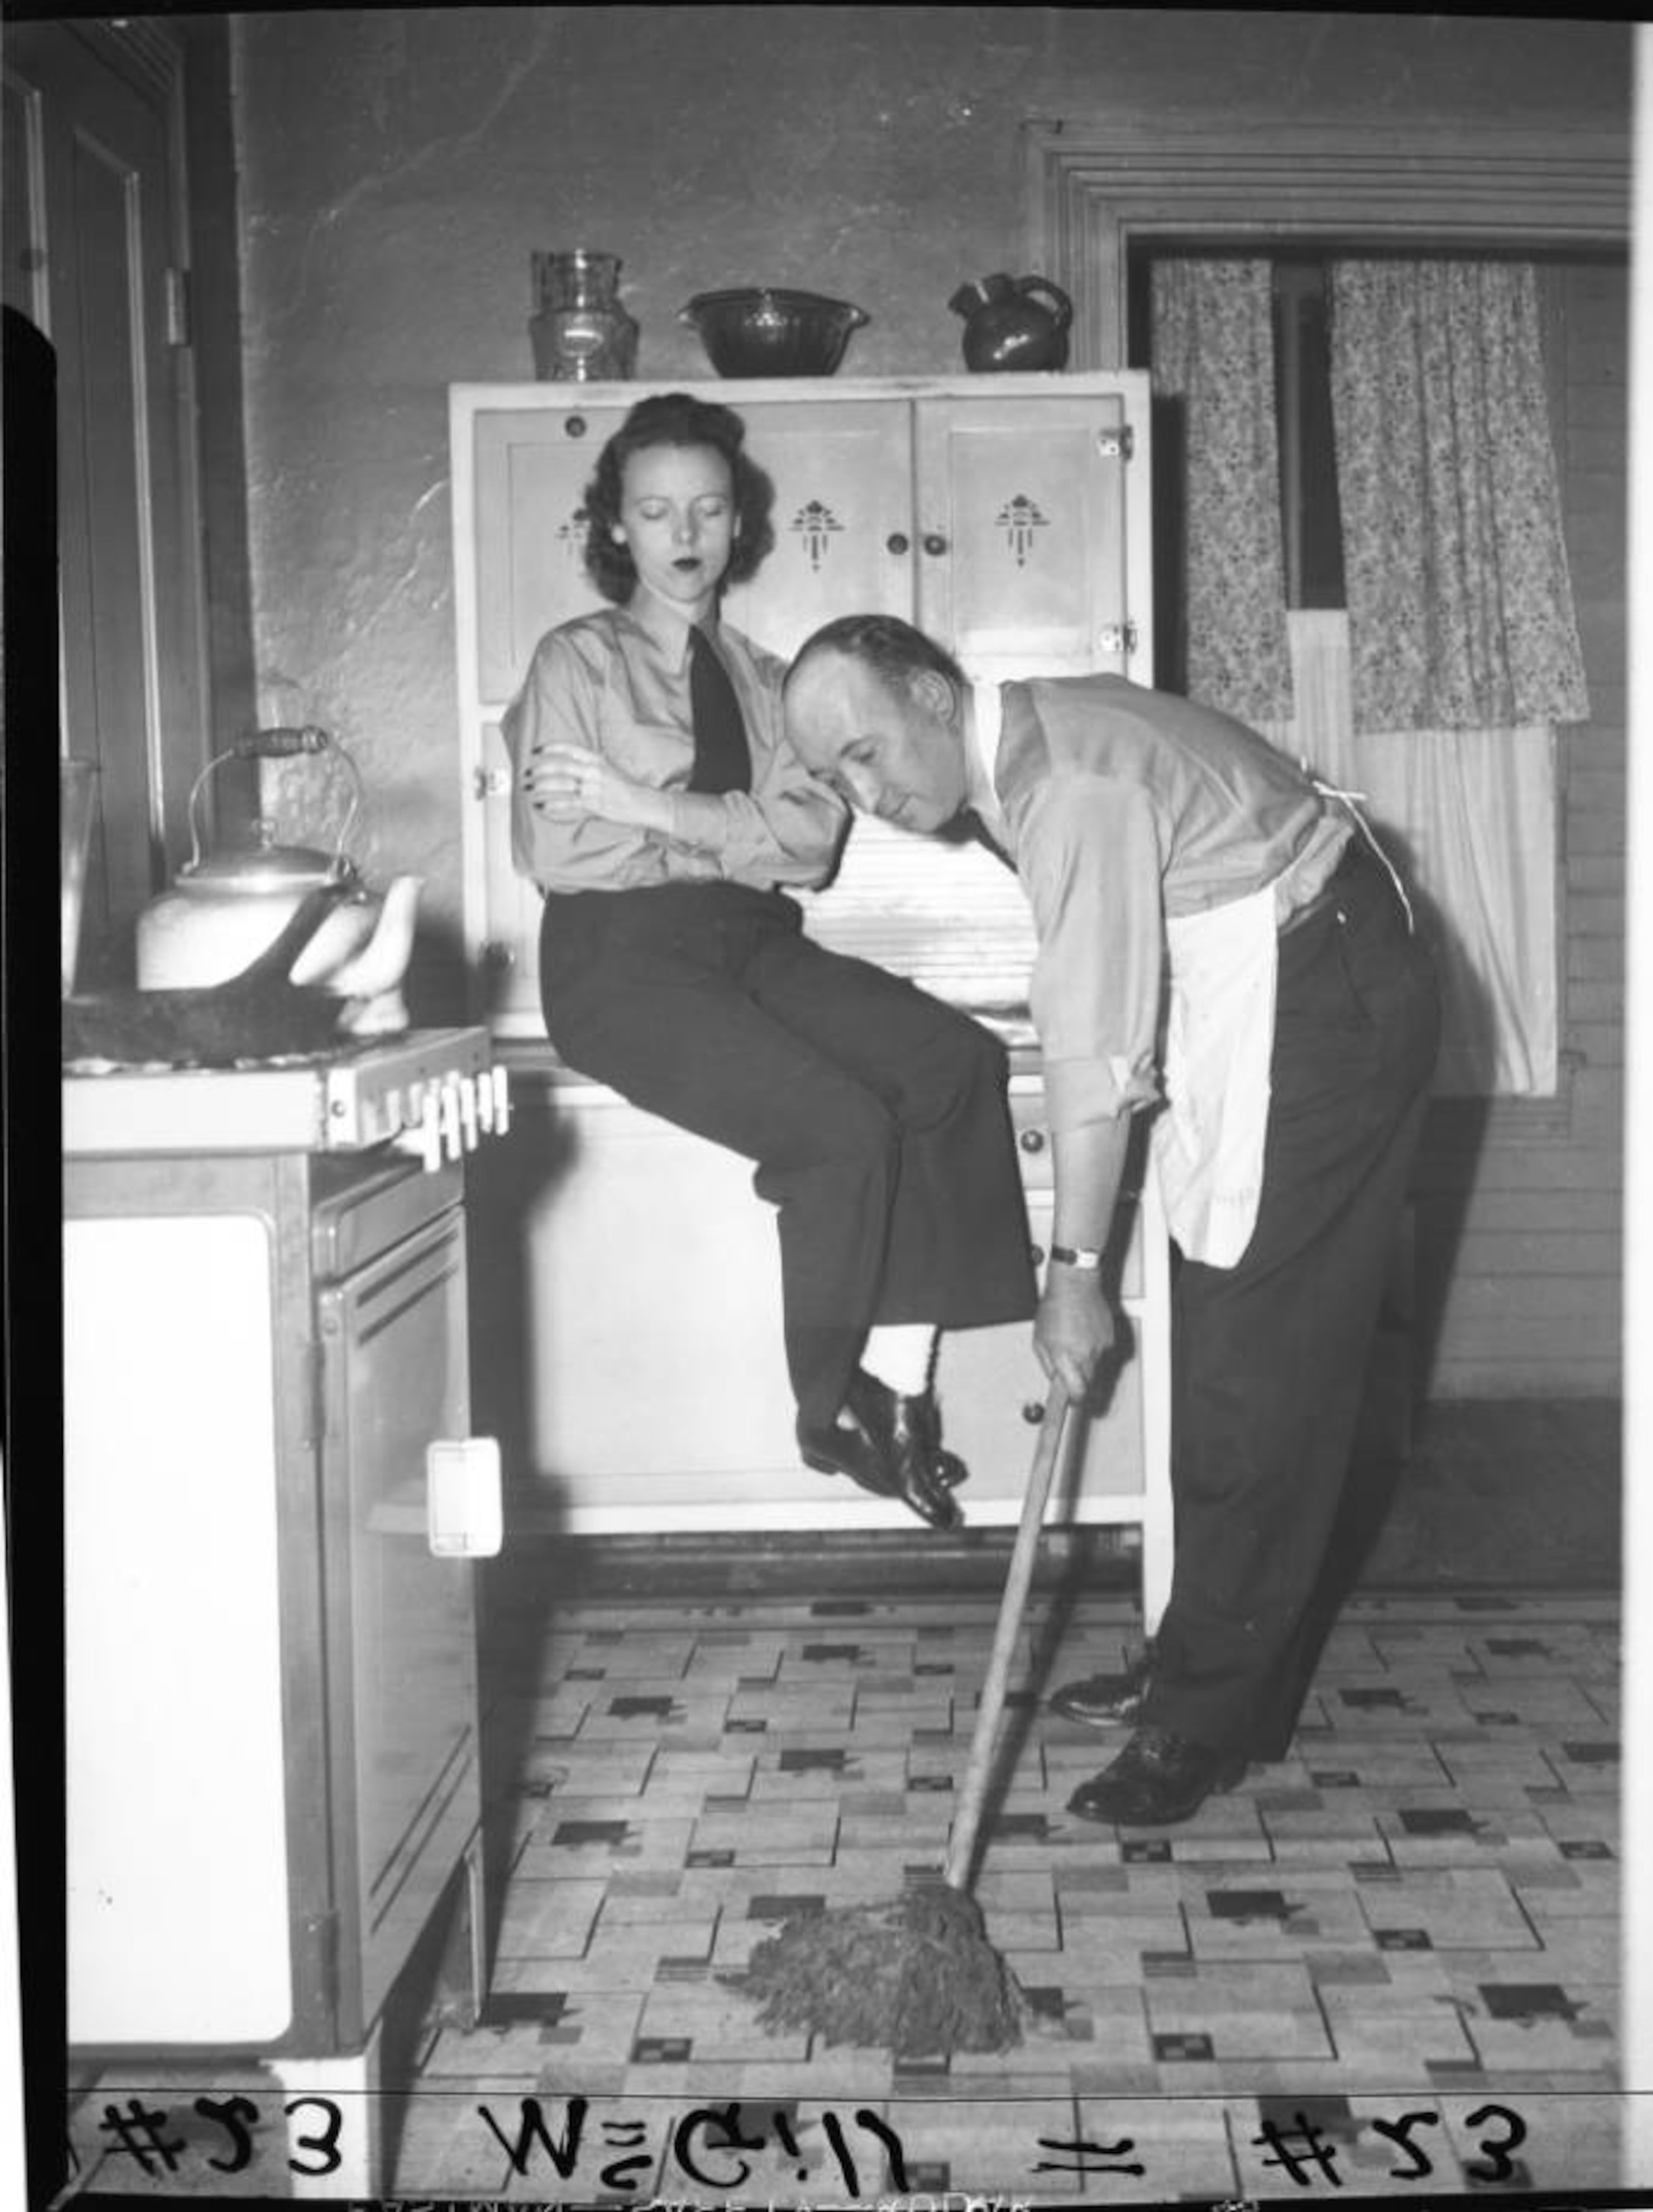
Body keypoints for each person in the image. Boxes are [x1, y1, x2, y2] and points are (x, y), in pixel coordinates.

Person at [782, 615, 1442, 1825]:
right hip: (1277, 968)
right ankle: (1201, 1653)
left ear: (933, 694)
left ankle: (1208, 1718)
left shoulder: (1062, 785)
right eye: (833, 778)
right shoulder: (1011, 747)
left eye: (868, 753)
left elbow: (1094, 1053)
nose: (864, 796)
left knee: (1261, 1364)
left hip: (1329, 988)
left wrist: (1073, 1272)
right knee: (1226, 1333)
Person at [502, 397, 1035, 1531]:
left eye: (707, 506)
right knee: (840, 1127)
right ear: (616, 527)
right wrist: (724, 824)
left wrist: (643, 802)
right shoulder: (576, 662)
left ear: (737, 520)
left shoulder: (769, 676)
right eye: (654, 510)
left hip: (750, 942)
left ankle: (900, 1386)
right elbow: (561, 845)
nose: (684, 532)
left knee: (951, 1061)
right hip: (619, 963)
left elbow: (811, 844)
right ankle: (830, 1406)